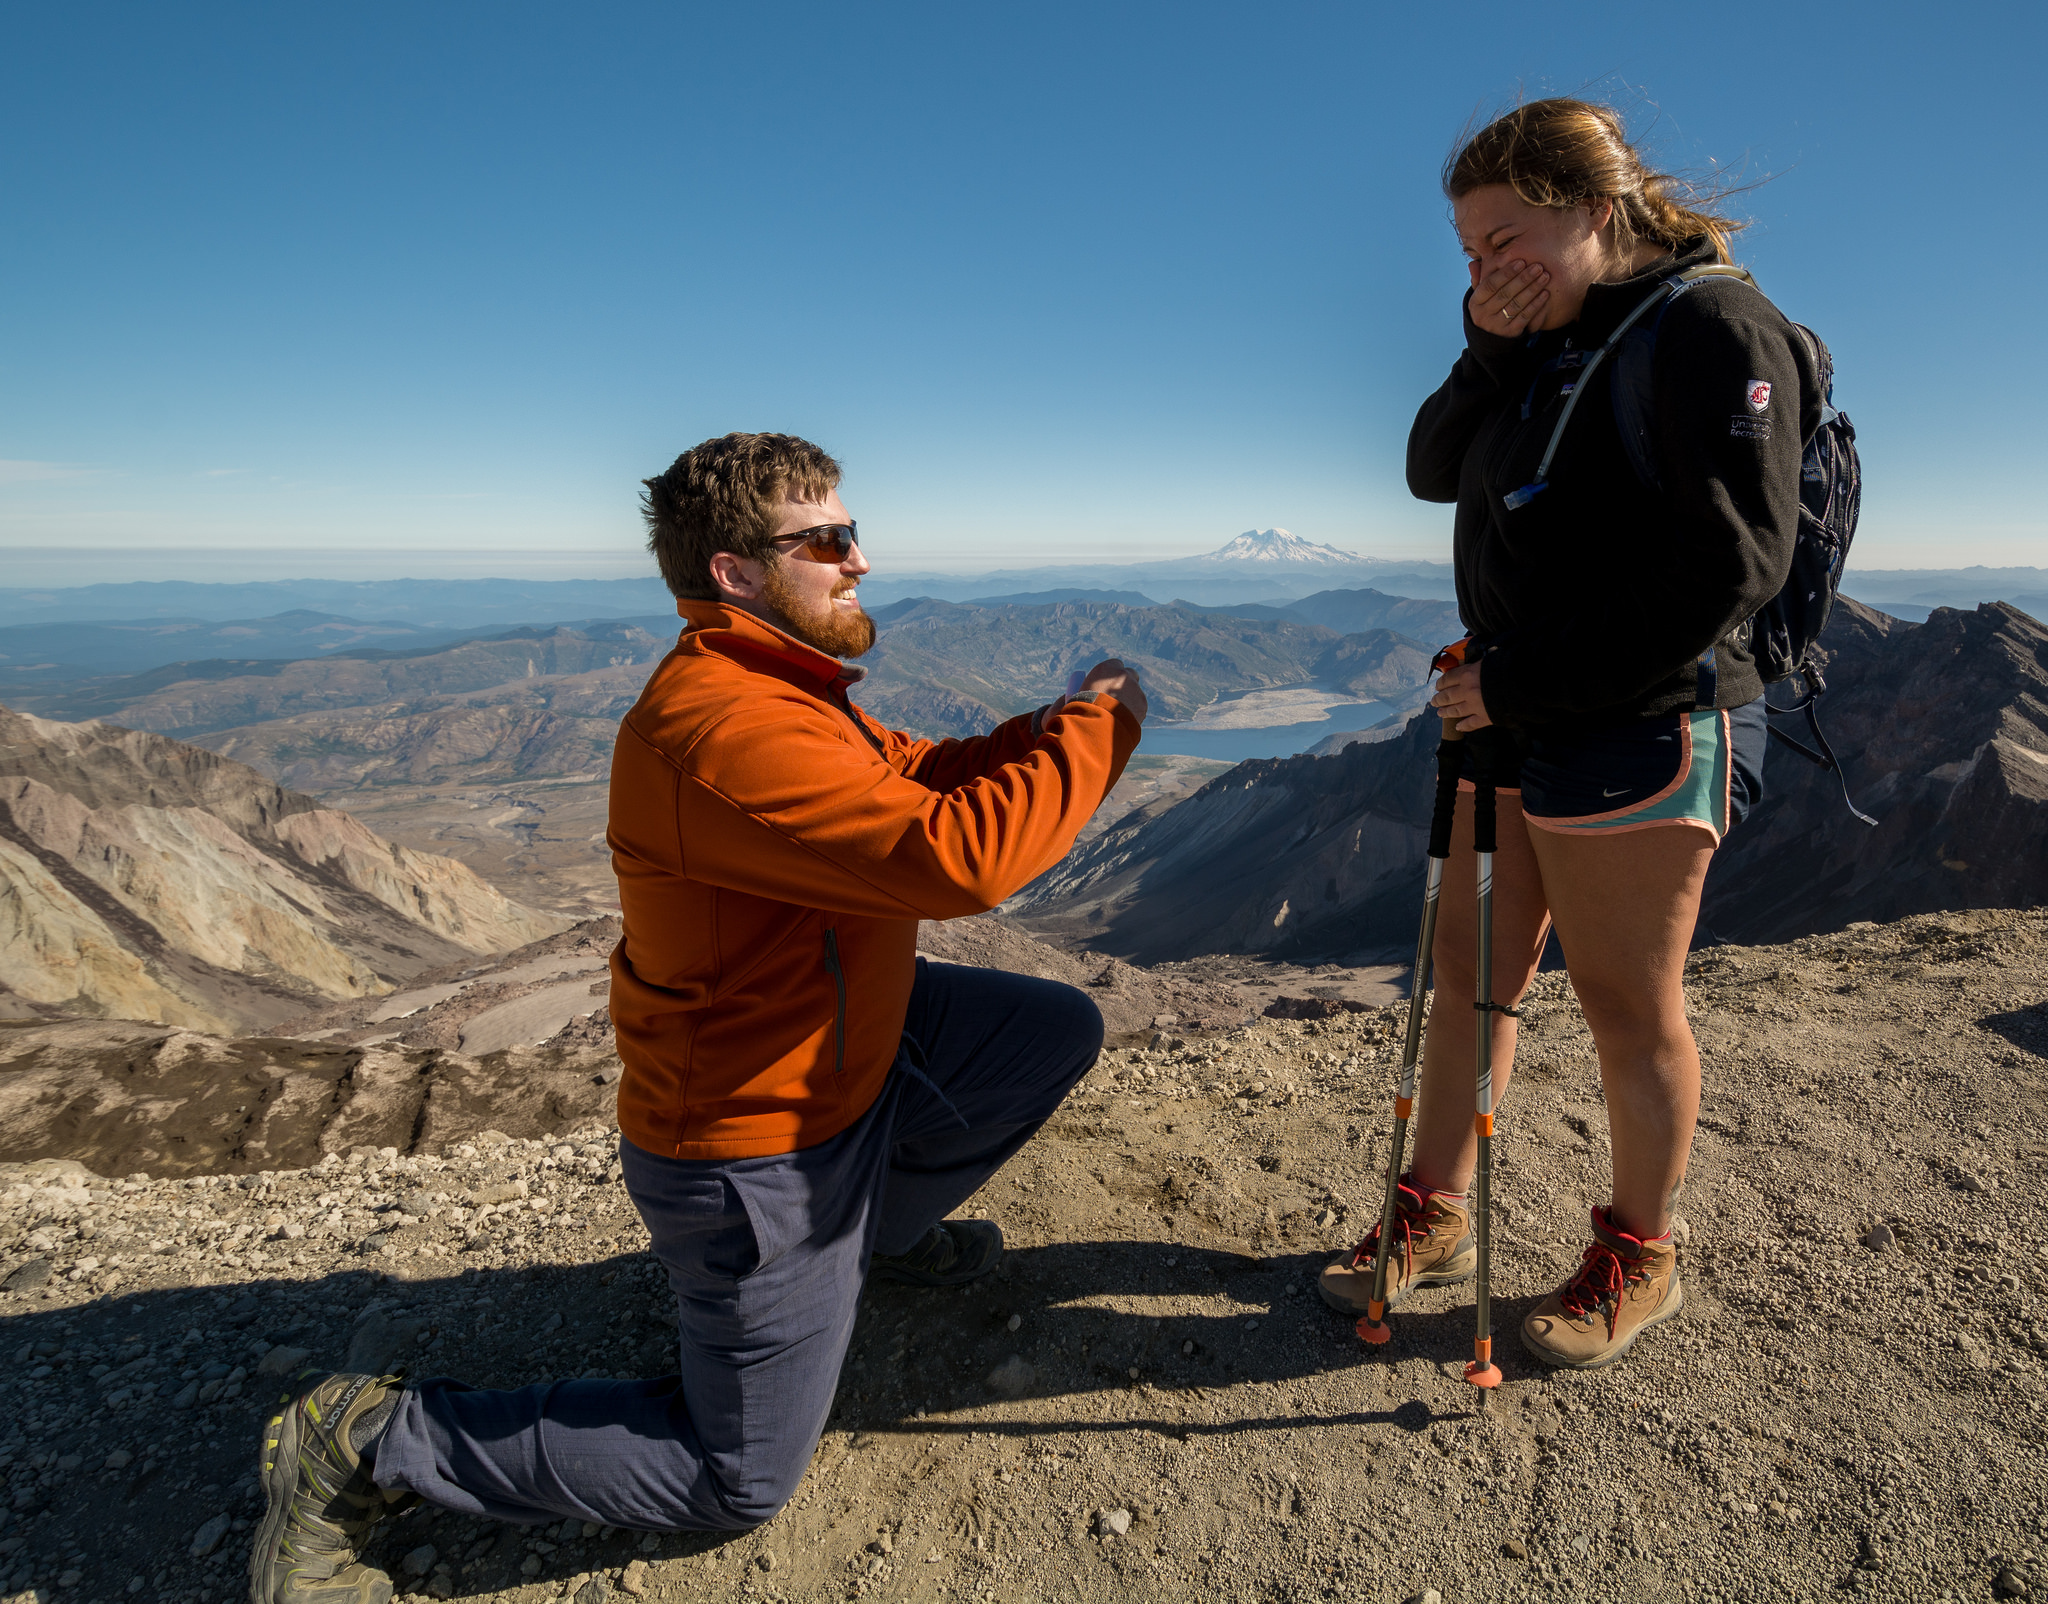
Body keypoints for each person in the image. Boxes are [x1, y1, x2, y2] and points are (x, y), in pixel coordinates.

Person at [248, 432, 1148, 1602]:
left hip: (847, 1053)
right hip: (755, 1146)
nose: (858, 558)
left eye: (852, 532)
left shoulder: (785, 688)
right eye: (827, 539)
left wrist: (1046, 724)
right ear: (733, 571)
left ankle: (871, 1241)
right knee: (735, 1478)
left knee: (1046, 1030)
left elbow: (921, 772)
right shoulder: (721, 727)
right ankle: (372, 1440)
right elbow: (957, 858)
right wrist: (1100, 727)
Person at [1318, 99, 1806, 1369]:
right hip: (1515, 709)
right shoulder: (1548, 335)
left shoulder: (1713, 328)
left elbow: (1731, 566)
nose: (1485, 268)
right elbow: (1432, 467)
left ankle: (1641, 1252)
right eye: (1467, 252)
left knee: (1621, 1003)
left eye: (1504, 240)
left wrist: (1519, 681)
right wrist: (1486, 342)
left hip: (1636, 724)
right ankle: (1433, 1210)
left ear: (1593, 207)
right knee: (1470, 971)